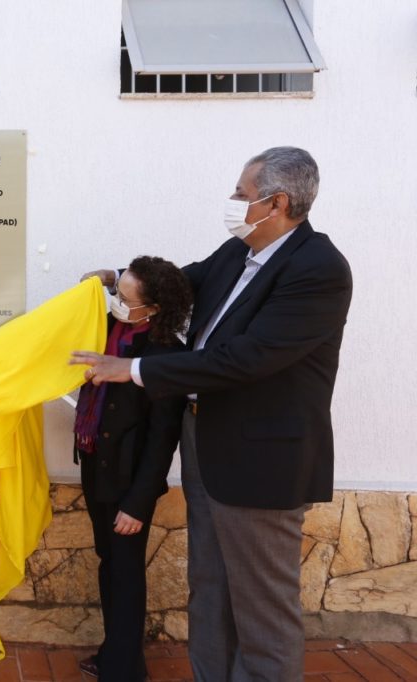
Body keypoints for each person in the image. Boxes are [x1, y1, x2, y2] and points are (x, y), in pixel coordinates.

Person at [72, 147, 353, 681]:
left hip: (260, 463)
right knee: (210, 587)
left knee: (261, 606)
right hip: (206, 443)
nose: (232, 201)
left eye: (242, 194)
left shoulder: (318, 269)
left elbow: (247, 359)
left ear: (278, 203)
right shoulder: (239, 251)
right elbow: (182, 282)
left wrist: (133, 369)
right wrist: (116, 277)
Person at [72, 257, 191, 680]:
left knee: (124, 570)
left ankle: (124, 669)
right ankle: (115, 654)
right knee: (110, 562)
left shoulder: (166, 356)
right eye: (117, 293)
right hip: (96, 465)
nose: (116, 302)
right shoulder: (109, 327)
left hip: (128, 481)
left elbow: (163, 438)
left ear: (153, 309)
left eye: (125, 298)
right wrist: (106, 278)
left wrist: (138, 504)